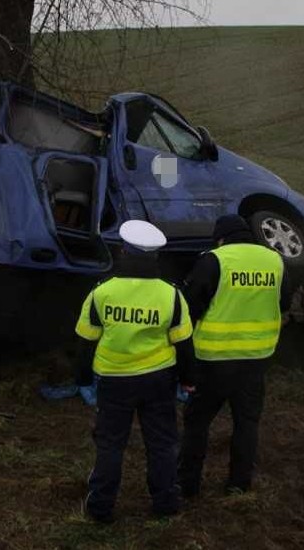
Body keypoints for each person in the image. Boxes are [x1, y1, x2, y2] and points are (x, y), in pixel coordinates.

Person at [75, 220, 194, 523]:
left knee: (110, 444)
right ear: (155, 257)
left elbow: (86, 341)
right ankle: (165, 503)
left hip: (114, 382)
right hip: (158, 381)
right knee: (162, 443)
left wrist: (83, 379)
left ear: (124, 251)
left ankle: (100, 508)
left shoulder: (102, 292)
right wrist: (189, 380)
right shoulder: (172, 295)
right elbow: (184, 344)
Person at [176, 214, 288, 497]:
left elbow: (191, 306)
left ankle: (188, 484)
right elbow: (284, 301)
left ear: (221, 238)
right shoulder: (274, 259)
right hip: (257, 357)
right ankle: (239, 484)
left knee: (197, 422)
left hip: (214, 359)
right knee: (247, 423)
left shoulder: (215, 259)